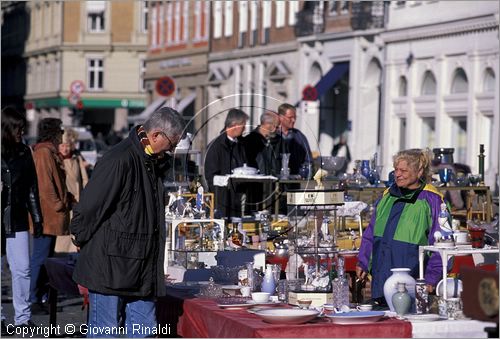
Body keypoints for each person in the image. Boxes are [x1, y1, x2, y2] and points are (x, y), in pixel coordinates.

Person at [70, 107, 185, 337]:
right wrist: (79, 237)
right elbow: (90, 207)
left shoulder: (151, 161)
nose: (172, 150)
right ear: (155, 136)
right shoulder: (119, 159)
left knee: (144, 330)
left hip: (140, 266)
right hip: (110, 265)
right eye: (171, 144)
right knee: (106, 331)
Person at [356, 149, 446, 307]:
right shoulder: (386, 196)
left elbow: (443, 244)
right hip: (381, 281)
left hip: (412, 284)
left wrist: (432, 278)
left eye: (403, 170)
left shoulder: (433, 200)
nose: (397, 174)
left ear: (419, 171)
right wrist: (363, 262)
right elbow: (370, 234)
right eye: (396, 169)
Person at [1, 107, 43, 330]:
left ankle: (23, 318)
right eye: (18, 127)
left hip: (16, 218)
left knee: (23, 270)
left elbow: (31, 190)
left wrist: (37, 219)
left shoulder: (25, 152)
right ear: (7, 127)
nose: (21, 131)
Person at [30, 118, 71, 314]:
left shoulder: (48, 152)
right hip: (46, 216)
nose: (62, 135)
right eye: (60, 131)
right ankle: (34, 298)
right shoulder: (44, 153)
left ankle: (42, 296)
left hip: (50, 215)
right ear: (54, 133)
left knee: (46, 257)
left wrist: (68, 200)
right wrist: (60, 204)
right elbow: (45, 187)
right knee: (40, 258)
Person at [204, 108, 248, 218]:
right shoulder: (215, 146)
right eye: (243, 125)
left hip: (237, 197)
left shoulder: (241, 144)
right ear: (235, 125)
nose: (245, 128)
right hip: (221, 199)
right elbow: (210, 176)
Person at [56, 128, 89, 253]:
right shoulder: (56, 161)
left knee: (75, 237)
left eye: (68, 146)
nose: (65, 149)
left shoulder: (77, 158)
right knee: (63, 240)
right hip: (64, 204)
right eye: (62, 146)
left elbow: (84, 179)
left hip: (78, 203)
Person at [242, 111, 281, 212]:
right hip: (255, 190)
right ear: (268, 125)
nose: (278, 130)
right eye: (276, 127)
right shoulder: (249, 141)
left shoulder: (277, 141)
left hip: (273, 190)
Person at [276, 103, 312, 175]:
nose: (293, 120)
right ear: (281, 117)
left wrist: (304, 172)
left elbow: (308, 160)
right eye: (290, 117)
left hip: (295, 180)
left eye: (295, 117)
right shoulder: (273, 135)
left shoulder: (299, 136)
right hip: (275, 180)